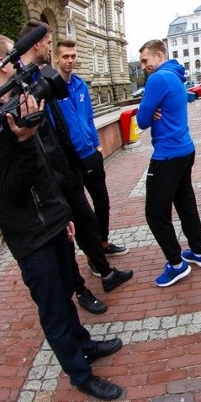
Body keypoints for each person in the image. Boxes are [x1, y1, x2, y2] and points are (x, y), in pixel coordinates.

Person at [0, 35, 124, 400]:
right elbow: (9, 190)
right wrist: (23, 140)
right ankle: (80, 374)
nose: (24, 65)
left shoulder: (17, 101)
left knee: (65, 294)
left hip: (49, 222)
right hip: (28, 235)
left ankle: (83, 343)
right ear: (3, 63)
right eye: (16, 58)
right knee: (52, 307)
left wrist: (61, 213)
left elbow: (42, 168)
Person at [17, 22, 132, 314]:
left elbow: (63, 128)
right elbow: (40, 135)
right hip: (52, 173)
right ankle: (81, 288)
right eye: (49, 43)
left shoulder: (45, 79)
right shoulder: (26, 82)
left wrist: (91, 145)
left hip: (69, 163)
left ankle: (102, 269)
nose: (53, 49)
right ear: (38, 45)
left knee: (87, 218)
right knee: (67, 233)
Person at [137, 39, 201, 287]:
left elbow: (142, 120)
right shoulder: (176, 76)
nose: (144, 66)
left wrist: (151, 110)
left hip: (167, 155)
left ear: (159, 55)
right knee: (185, 202)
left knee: (155, 213)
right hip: (185, 149)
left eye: (146, 60)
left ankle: (176, 264)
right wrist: (155, 108)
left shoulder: (157, 79)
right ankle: (198, 252)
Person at [52, 39, 128, 262]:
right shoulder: (52, 90)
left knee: (102, 202)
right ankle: (93, 253)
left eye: (73, 56)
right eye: (65, 56)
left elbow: (88, 117)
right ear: (56, 58)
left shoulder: (81, 86)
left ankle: (103, 242)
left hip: (91, 154)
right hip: (71, 161)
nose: (70, 60)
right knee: (81, 213)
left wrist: (97, 145)